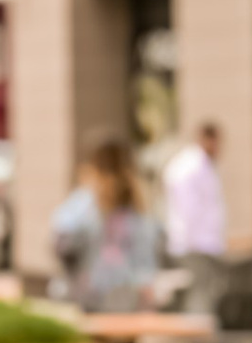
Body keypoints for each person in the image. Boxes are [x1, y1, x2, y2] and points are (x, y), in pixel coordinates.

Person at [51, 137, 161, 312]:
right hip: (109, 305)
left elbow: (60, 247)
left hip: (98, 304)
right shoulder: (87, 207)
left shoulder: (83, 207)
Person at [161, 120, 228, 261]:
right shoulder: (190, 167)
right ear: (207, 140)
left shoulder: (204, 166)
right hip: (194, 248)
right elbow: (188, 210)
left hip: (206, 246)